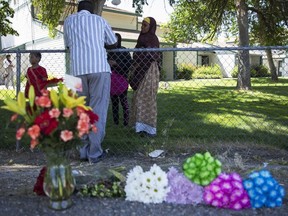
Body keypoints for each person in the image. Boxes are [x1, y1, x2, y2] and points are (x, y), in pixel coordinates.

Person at [64, 0, 117, 163]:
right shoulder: (100, 20)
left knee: (80, 110)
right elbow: (113, 43)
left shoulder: (68, 21)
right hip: (99, 69)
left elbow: (67, 46)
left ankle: (82, 151)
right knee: (97, 111)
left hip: (75, 72)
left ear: (78, 10)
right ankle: (94, 153)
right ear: (92, 10)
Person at [129, 17, 161, 137]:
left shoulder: (153, 39)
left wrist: (143, 54)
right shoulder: (141, 38)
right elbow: (138, 54)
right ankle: (139, 127)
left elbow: (152, 55)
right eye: (141, 25)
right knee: (137, 98)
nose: (142, 27)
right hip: (139, 70)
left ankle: (149, 129)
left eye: (145, 25)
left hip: (149, 71)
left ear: (151, 27)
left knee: (147, 98)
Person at [108, 33, 132, 126]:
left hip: (122, 80)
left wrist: (116, 64)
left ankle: (126, 123)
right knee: (114, 103)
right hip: (112, 81)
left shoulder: (124, 51)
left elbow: (128, 64)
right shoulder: (110, 52)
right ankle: (116, 123)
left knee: (124, 102)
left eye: (116, 39)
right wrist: (108, 63)